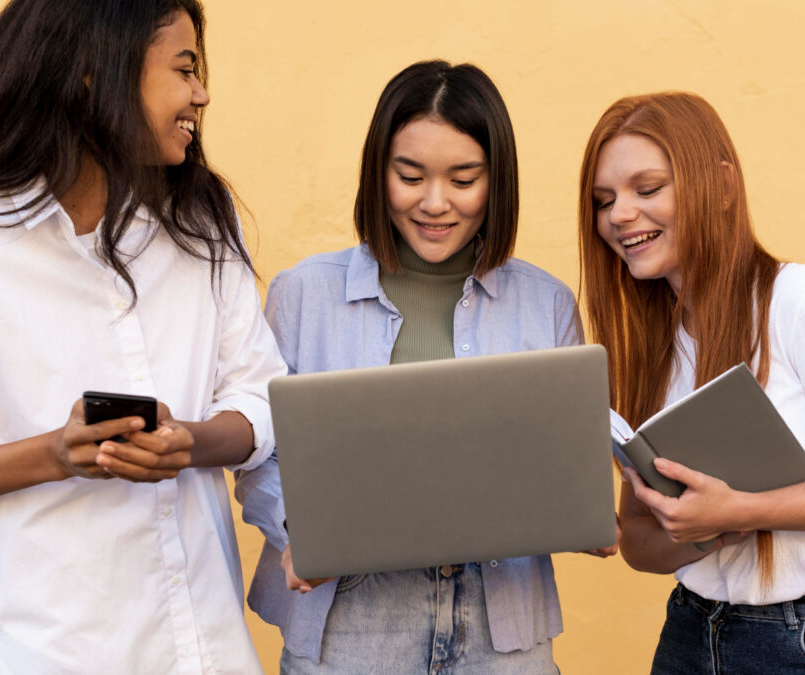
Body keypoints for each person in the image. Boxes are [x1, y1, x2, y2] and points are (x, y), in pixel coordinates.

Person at [0, 1, 286, 673]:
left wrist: (188, 441)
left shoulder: (203, 224)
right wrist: (58, 453)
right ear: (96, 74)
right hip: (39, 646)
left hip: (197, 643)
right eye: (184, 69)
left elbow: (261, 398)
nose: (200, 94)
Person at [236, 60, 604, 674]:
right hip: (347, 619)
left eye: (464, 179)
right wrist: (300, 531)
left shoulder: (547, 303)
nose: (436, 203)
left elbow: (569, 460)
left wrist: (586, 511)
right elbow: (260, 454)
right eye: (410, 176)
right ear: (378, 173)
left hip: (503, 620)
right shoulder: (303, 295)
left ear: (498, 181)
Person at [578, 91, 805, 674]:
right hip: (692, 632)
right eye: (604, 199)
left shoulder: (804, 302)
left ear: (720, 184)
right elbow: (640, 542)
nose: (619, 215)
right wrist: (701, 530)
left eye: (648, 189)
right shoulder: (649, 348)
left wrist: (741, 509)